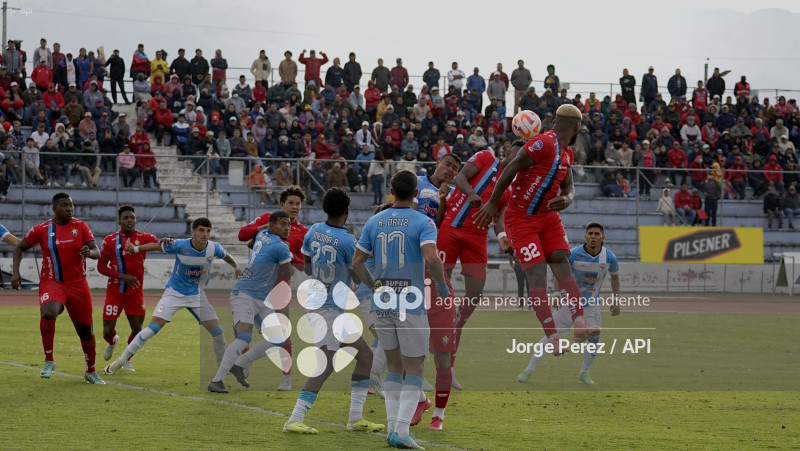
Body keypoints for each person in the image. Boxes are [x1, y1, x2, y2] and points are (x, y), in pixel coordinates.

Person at [474, 104, 599, 355]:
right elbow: (511, 168)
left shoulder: (567, 153)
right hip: (521, 219)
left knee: (562, 262)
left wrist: (568, 198)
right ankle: (553, 337)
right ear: (575, 127)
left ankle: (579, 323)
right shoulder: (544, 143)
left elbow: (569, 187)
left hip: (548, 217)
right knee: (538, 276)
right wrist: (491, 203)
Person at [352, 170, 450, 449]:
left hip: (383, 301)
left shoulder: (374, 221)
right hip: (410, 301)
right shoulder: (424, 221)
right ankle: (402, 431)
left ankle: (393, 429)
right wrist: (441, 287)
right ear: (416, 192)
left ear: (391, 190)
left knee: (393, 367)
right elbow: (432, 257)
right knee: (415, 367)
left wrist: (374, 286)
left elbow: (358, 262)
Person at [430, 144, 520, 430]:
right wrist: (470, 195)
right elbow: (459, 178)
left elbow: (500, 217)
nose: (519, 159)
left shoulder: (512, 186)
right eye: (517, 154)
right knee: (437, 285)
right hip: (452, 230)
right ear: (508, 152)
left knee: (475, 295)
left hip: (477, 238)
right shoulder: (485, 158)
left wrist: (504, 238)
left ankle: (453, 331)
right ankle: (440, 349)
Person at [283, 188, 385, 434]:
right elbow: (358, 274)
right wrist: (376, 285)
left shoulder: (314, 230)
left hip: (320, 305)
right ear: (347, 211)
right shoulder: (348, 241)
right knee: (326, 364)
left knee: (365, 357)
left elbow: (307, 269)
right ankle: (294, 419)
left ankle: (355, 418)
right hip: (328, 310)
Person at [104, 217, 242, 375]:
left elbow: (226, 255)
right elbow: (156, 246)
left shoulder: (213, 248)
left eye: (208, 231)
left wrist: (237, 267)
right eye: (202, 230)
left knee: (218, 334)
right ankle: (121, 361)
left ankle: (222, 371)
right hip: (174, 294)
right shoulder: (180, 245)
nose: (205, 234)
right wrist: (135, 249)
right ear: (193, 232)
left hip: (197, 295)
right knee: (152, 329)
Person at [11, 193, 105, 384]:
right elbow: (19, 247)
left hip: (78, 285)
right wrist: (15, 273)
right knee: (48, 312)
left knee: (86, 332)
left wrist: (90, 252)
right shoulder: (42, 229)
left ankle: (91, 371)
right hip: (52, 282)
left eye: (71, 205)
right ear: (54, 208)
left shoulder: (81, 226)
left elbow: (97, 251)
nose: (69, 208)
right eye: (64, 205)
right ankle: (49, 359)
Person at [518, 222, 620, 385]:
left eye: (597, 234)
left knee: (595, 337)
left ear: (603, 237)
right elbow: (559, 272)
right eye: (590, 234)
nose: (593, 237)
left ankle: (584, 373)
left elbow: (615, 278)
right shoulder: (573, 254)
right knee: (551, 336)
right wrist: (557, 293)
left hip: (591, 304)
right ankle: (528, 369)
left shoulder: (609, 258)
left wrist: (616, 300)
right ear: (585, 236)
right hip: (569, 303)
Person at [207, 211, 293, 393]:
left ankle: (239, 364)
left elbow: (250, 242)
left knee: (278, 339)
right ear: (272, 225)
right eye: (283, 224)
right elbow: (287, 273)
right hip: (245, 294)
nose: (287, 228)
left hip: (260, 298)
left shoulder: (262, 234)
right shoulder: (281, 247)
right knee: (244, 337)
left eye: (289, 225)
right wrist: (292, 259)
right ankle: (216, 381)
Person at [237, 185, 309, 391]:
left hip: (279, 288)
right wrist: (263, 228)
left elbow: (302, 265)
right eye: (291, 203)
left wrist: (291, 255)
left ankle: (286, 378)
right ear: (282, 204)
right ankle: (245, 362)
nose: (295, 207)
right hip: (255, 285)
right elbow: (243, 236)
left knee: (283, 334)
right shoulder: (266, 219)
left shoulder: (303, 232)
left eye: (298, 204)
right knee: (244, 330)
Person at [97, 205, 161, 371]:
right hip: (115, 292)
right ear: (120, 221)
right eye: (126, 218)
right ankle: (112, 342)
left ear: (136, 220)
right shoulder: (110, 240)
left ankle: (126, 358)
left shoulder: (144, 237)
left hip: (135, 292)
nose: (129, 221)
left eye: (132, 218)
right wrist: (122, 276)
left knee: (137, 329)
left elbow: (159, 245)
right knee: (107, 330)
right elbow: (101, 267)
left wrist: (165, 241)